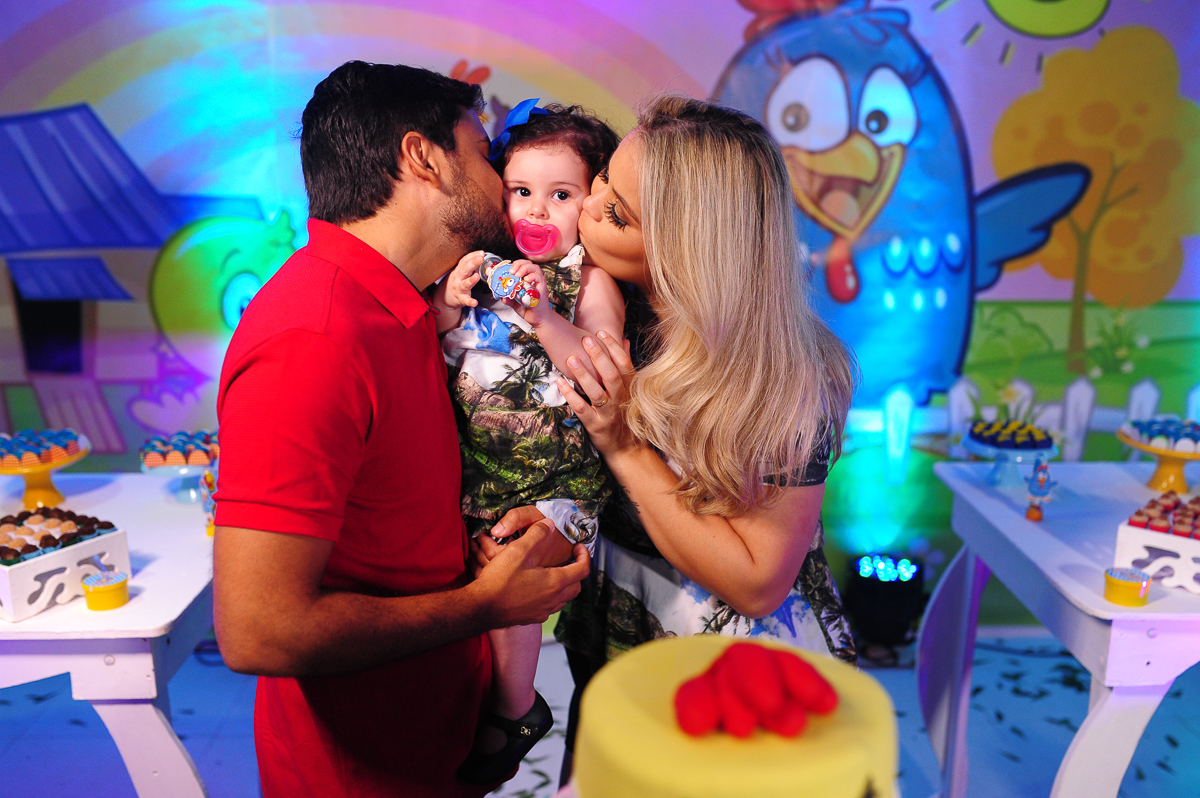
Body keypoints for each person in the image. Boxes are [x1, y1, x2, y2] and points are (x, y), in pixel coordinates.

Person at [210, 62, 589, 798]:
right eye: (484, 153)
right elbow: (259, 630)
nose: (501, 180)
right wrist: (488, 604)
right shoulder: (316, 338)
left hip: (434, 739)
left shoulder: (407, 304)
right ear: (424, 158)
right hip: (363, 771)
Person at [542, 95, 859, 779]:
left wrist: (624, 445)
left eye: (618, 213)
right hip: (619, 638)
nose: (588, 207)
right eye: (601, 180)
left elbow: (757, 582)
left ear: (689, 251)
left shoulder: (785, 374)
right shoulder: (607, 304)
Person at [431, 102, 622, 784]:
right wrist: (448, 301)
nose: (538, 210)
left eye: (561, 195)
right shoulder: (478, 268)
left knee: (515, 573)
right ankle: (475, 699)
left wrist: (542, 315)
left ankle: (515, 707)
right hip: (479, 475)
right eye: (521, 191)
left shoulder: (587, 280)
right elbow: (433, 338)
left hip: (559, 482)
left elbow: (600, 367)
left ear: (591, 205)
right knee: (470, 590)